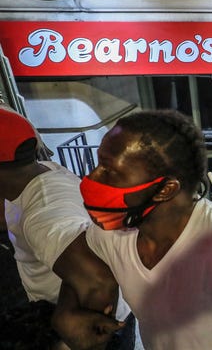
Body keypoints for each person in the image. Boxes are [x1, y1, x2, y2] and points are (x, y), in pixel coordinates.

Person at [53, 109, 212, 349]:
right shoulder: (110, 234)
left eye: (109, 170)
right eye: (98, 164)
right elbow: (78, 254)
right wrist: (67, 311)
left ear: (166, 189)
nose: (92, 177)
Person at [0, 105, 132, 349]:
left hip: (91, 336)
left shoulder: (43, 216)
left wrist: (69, 340)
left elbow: (99, 281)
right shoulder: (41, 173)